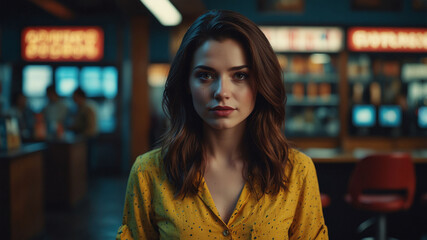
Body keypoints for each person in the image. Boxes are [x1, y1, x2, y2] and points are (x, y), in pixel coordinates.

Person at [117, 10, 328, 239]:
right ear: (187, 83)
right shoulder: (149, 172)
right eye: (206, 75)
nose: (221, 93)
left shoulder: (297, 171)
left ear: (261, 82)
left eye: (239, 76)